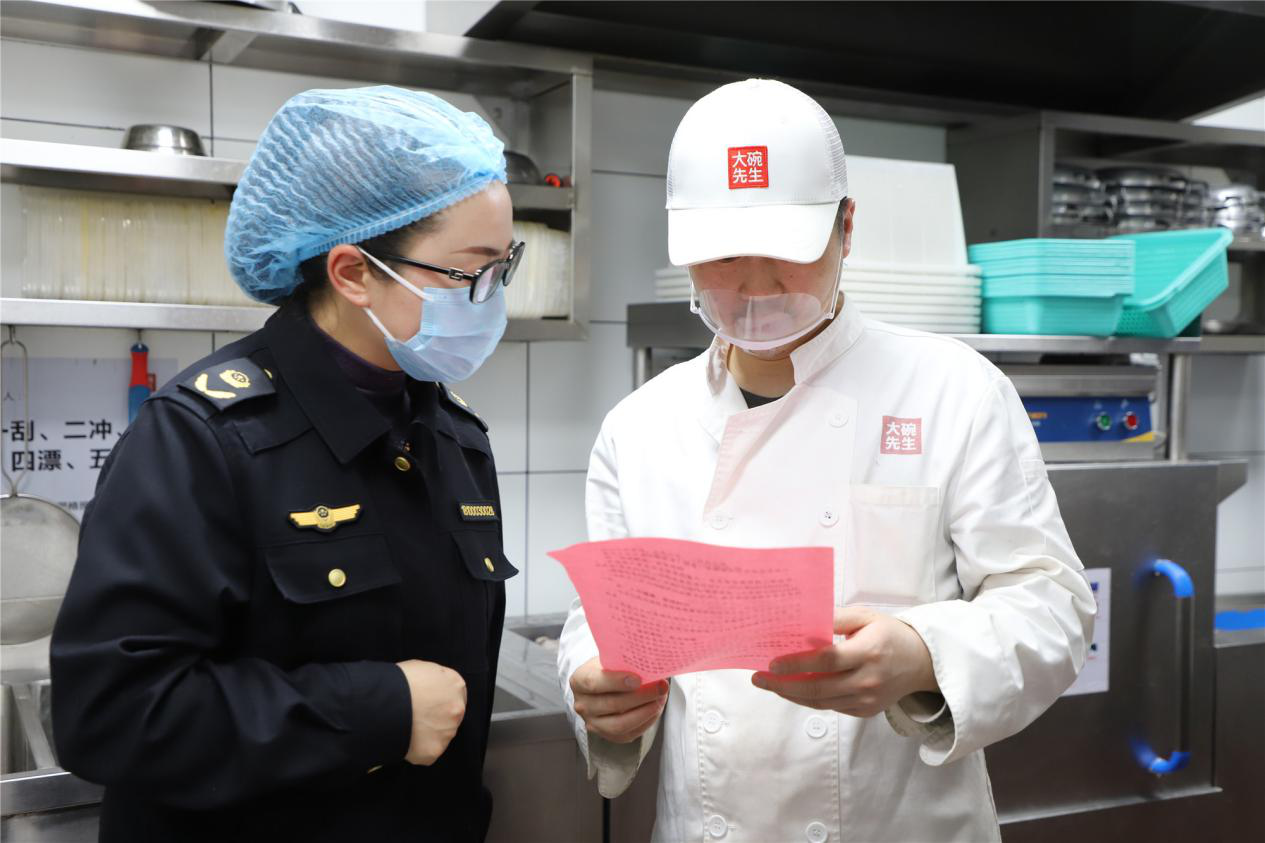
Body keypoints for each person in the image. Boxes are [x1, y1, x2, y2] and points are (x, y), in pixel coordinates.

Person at [557, 78, 1096, 842]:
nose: (755, 285)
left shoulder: (953, 390)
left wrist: (921, 655)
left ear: (845, 228)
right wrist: (595, 684)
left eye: (785, 248)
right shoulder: (639, 426)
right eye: (722, 254)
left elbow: (1051, 604)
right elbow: (603, 615)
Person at [50, 86, 523, 842]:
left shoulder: (452, 437)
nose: (491, 301)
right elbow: (112, 713)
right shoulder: (200, 439)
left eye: (504, 268)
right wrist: (379, 710)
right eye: (468, 275)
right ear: (352, 272)